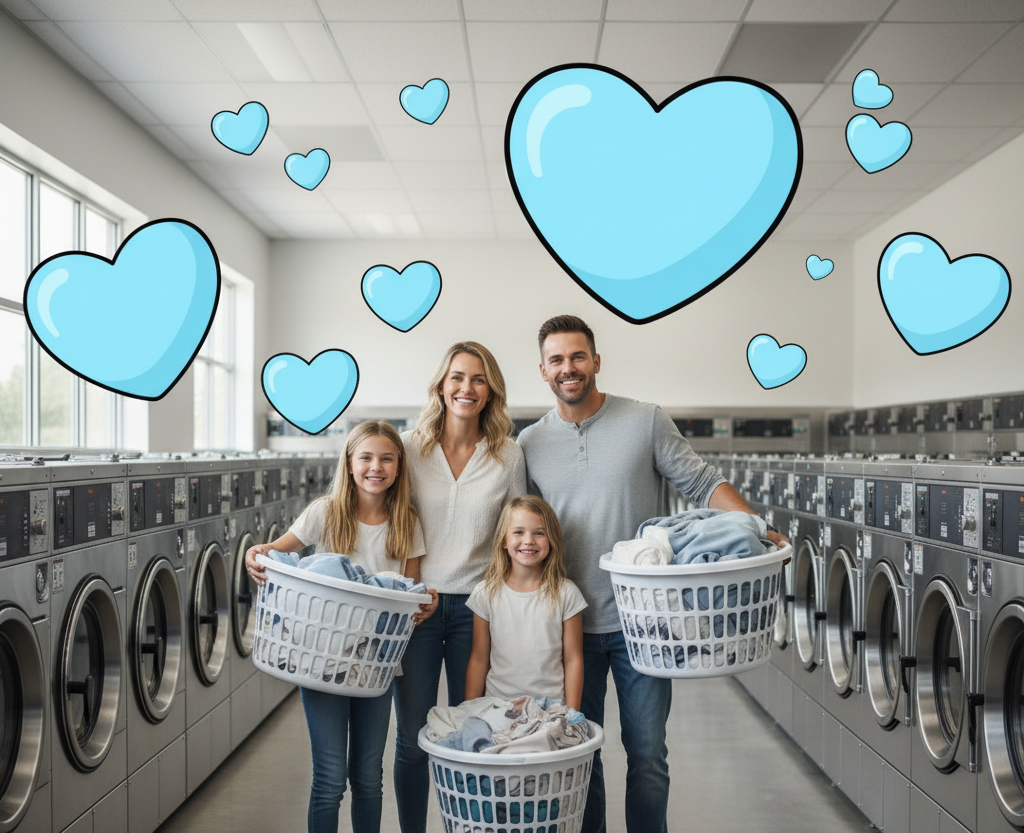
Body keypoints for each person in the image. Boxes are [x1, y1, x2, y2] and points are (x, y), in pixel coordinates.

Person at [517, 314, 789, 833]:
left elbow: (703, 481)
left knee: (646, 754)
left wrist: (757, 527)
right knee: (580, 751)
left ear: (596, 361)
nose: (568, 368)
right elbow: (521, 532)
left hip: (644, 622)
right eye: (557, 360)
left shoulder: (644, 421)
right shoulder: (529, 443)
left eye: (578, 357)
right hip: (568, 624)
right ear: (543, 370)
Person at [244, 420, 437, 833]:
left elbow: (411, 589)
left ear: (399, 468)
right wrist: (255, 554)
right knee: (329, 778)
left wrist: (426, 602)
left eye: (387, 458)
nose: (376, 467)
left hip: (377, 666)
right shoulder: (325, 512)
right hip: (322, 659)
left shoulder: (407, 522)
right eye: (365, 457)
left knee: (368, 777)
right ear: (349, 464)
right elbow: (275, 556)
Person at [393, 341, 527, 833]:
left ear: (490, 391)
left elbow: (516, 533)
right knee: (411, 737)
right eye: (457, 377)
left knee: (474, 732)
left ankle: (467, 825)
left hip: (478, 611)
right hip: (418, 609)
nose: (466, 388)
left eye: (477, 379)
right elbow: (378, 514)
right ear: (441, 385)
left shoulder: (507, 454)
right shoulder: (409, 448)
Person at [465, 495, 586, 709]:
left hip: (550, 708)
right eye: (519, 532)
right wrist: (470, 710)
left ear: (551, 540)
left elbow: (573, 659)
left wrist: (572, 713)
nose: (529, 540)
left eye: (539, 533)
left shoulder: (567, 593)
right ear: (504, 540)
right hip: (498, 706)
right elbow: (478, 659)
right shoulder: (485, 593)